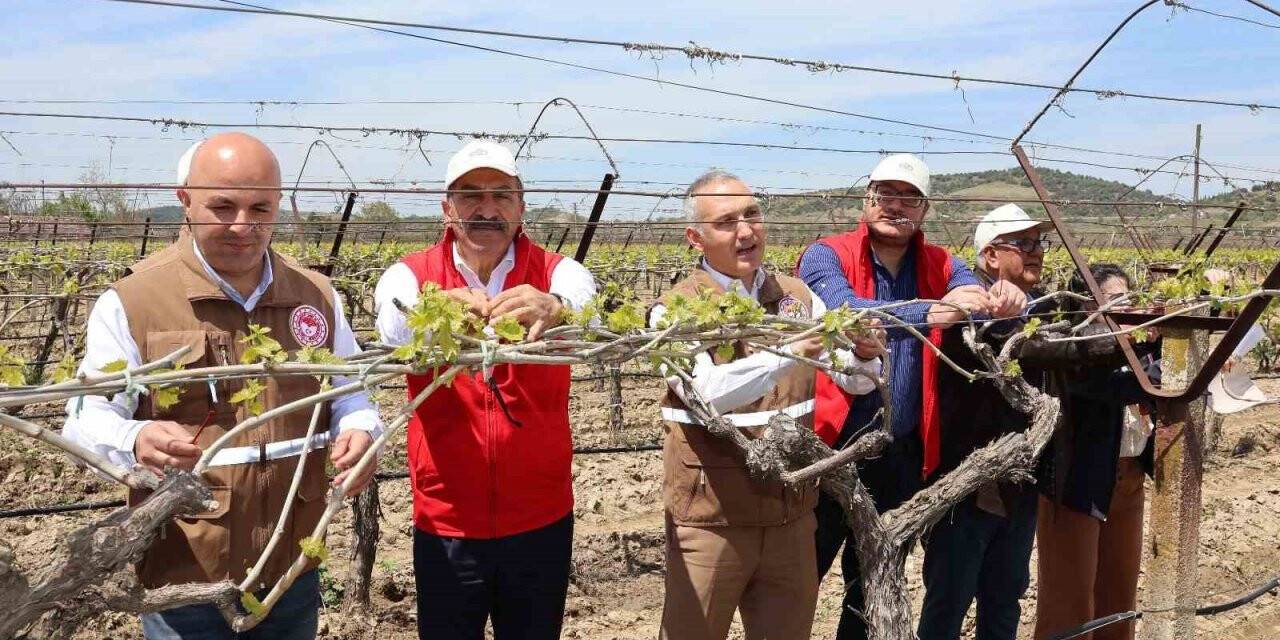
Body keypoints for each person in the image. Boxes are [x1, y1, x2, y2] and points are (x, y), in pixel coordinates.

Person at [64, 132, 383, 640]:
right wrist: (134, 439)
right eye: (223, 206)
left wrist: (362, 428)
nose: (243, 226)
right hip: (184, 573)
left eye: (260, 207)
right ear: (184, 200)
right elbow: (84, 418)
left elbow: (350, 392)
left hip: (292, 566)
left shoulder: (316, 295)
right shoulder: (132, 300)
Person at [372, 140, 597, 640]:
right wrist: (438, 313)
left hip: (541, 517)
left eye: (501, 195)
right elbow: (392, 323)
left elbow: (590, 307)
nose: (486, 209)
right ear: (447, 208)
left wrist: (556, 307)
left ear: (520, 208)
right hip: (447, 519)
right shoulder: (411, 276)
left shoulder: (557, 273)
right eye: (470, 195)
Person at [797, 154, 1021, 640]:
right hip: (830, 450)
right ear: (866, 199)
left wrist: (1000, 298)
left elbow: (970, 299)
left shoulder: (944, 263)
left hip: (902, 455)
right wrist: (931, 310)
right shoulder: (825, 254)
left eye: (909, 198)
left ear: (924, 209)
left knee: (873, 584)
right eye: (885, 194)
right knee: (798, 579)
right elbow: (843, 308)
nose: (895, 206)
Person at [653, 171, 885, 640]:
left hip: (791, 517)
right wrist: (790, 354)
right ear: (695, 238)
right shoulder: (671, 311)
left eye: (752, 215)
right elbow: (707, 393)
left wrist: (863, 355)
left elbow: (856, 382)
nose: (745, 231)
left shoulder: (798, 298)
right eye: (726, 222)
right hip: (710, 521)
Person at [918, 203, 1054, 640]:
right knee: (948, 602)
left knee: (1005, 598)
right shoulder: (963, 307)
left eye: (1039, 243)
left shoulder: (1045, 311)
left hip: (1018, 486)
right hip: (962, 485)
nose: (1036, 253)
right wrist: (999, 316)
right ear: (991, 256)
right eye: (1023, 244)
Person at [1034, 264, 1160, 640]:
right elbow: (1118, 387)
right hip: (1078, 485)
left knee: (1119, 596)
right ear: (1086, 306)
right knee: (1069, 602)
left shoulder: (1136, 346)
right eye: (1113, 301)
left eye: (1128, 300)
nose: (1124, 309)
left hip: (1128, 480)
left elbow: (1159, 377)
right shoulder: (1071, 348)